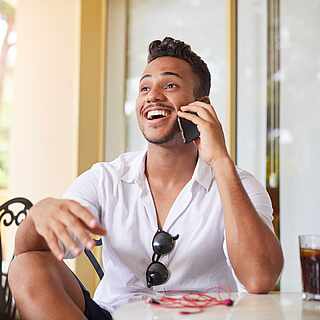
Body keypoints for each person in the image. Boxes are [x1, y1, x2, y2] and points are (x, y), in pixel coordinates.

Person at [8, 37, 284, 320]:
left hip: (202, 317)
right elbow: (29, 253)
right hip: (113, 315)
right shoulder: (106, 179)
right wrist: (37, 214)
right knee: (27, 266)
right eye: (144, 87)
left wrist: (221, 162)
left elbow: (259, 278)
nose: (152, 95)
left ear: (201, 106)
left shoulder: (239, 184)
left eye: (169, 85)